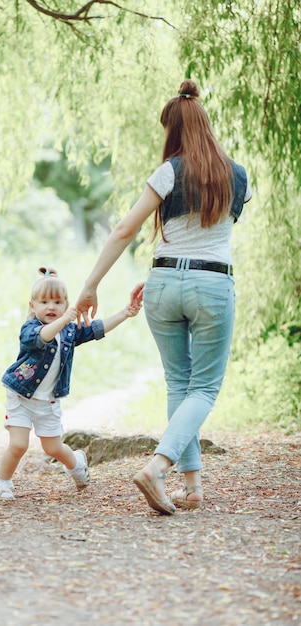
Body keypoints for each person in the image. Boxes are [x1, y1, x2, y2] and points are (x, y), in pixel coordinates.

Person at [76, 79, 252, 515]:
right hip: (212, 284)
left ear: (172, 130)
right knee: (204, 387)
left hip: (162, 283)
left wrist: (90, 285)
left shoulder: (169, 170)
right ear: (205, 124)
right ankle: (158, 467)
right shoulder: (239, 175)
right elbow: (220, 229)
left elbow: (124, 229)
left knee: (180, 383)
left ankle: (192, 488)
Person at [0, 266, 141, 500]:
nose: (51, 307)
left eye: (58, 302)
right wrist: (64, 321)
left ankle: (77, 464)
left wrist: (126, 312)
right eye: (44, 302)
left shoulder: (70, 330)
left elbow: (95, 329)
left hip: (48, 401)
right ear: (33, 306)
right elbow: (43, 338)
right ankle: (2, 483)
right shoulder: (30, 329)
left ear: (66, 304)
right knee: (18, 445)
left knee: (53, 448)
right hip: (21, 396)